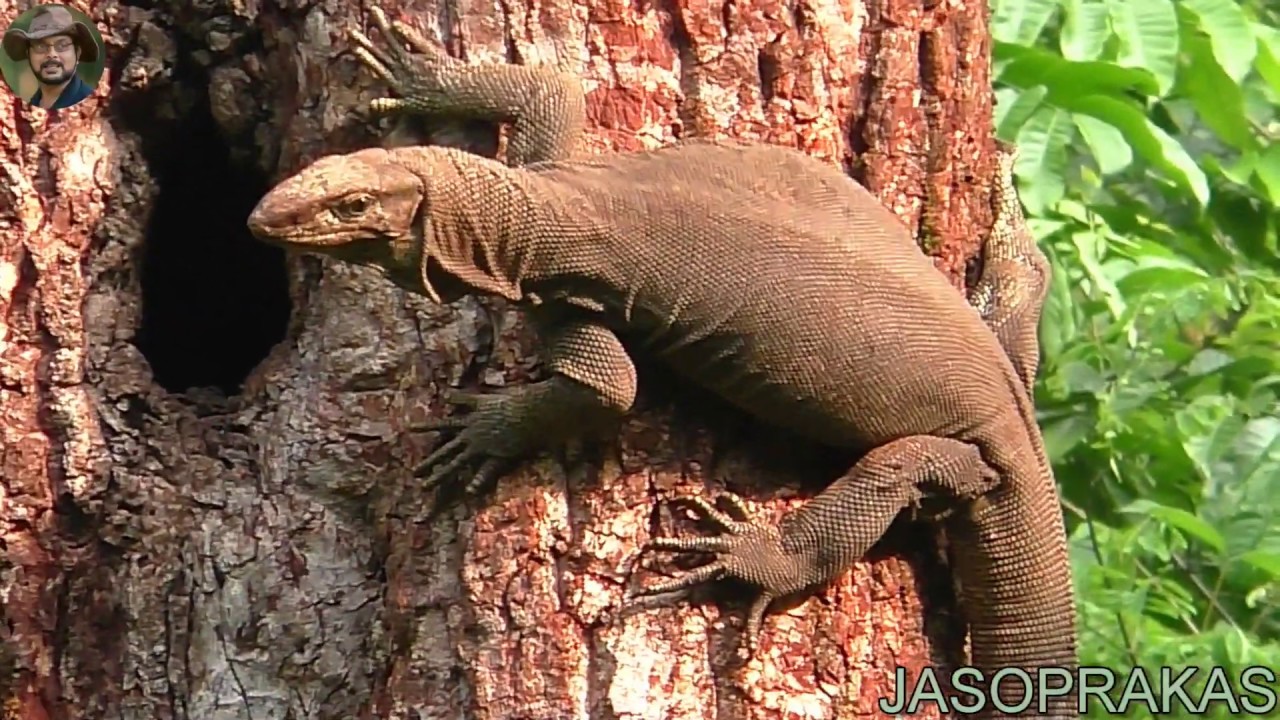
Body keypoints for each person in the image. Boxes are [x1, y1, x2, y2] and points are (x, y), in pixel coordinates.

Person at [2, 5, 99, 110]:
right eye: (40, 46)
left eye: (62, 46)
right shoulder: (31, 101)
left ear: (77, 53)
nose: (51, 54)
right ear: (28, 54)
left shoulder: (91, 105)